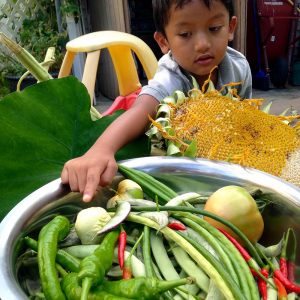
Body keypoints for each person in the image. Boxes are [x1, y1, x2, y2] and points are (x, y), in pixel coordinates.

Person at [61, 0, 252, 202]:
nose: (202, 44)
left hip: (225, 166)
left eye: (214, 28)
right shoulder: (172, 79)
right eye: (186, 34)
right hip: (179, 178)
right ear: (163, 42)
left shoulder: (240, 68)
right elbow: (141, 108)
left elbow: (245, 120)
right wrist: (101, 150)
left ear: (230, 28)